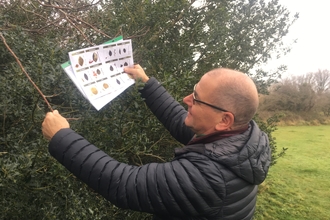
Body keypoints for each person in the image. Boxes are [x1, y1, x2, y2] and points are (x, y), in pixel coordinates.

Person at [42, 65, 271, 220]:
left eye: (196, 98)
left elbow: (124, 184)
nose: (187, 100)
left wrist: (62, 137)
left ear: (224, 119)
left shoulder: (209, 178)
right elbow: (181, 123)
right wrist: (146, 84)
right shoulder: (239, 141)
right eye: (194, 91)